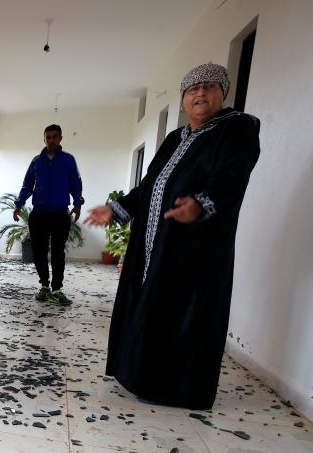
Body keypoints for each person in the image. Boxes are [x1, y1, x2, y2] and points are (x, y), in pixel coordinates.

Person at [85, 63, 260, 410]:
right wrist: (116, 209)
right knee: (150, 301)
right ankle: (139, 374)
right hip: (152, 241)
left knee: (184, 309)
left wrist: (201, 203)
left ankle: (177, 388)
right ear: (183, 98)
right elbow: (149, 186)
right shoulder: (174, 139)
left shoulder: (237, 128)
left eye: (210, 86)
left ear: (223, 93)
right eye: (193, 88)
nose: (200, 93)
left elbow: (232, 176)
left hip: (193, 246)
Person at [14, 124, 84, 306]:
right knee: (39, 252)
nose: (51, 140)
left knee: (58, 253)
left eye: (55, 137)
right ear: (44, 139)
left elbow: (75, 183)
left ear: (60, 138)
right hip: (39, 215)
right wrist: (19, 204)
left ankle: (57, 289)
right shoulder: (36, 161)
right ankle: (44, 286)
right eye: (48, 137)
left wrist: (77, 204)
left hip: (60, 214)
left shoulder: (69, 160)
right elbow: (27, 185)